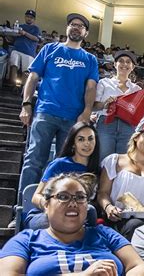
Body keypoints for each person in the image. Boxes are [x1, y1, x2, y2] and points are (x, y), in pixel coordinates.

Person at [16, 13, 98, 218]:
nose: (76, 28)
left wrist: (87, 111)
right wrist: (26, 104)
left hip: (73, 119)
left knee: (65, 166)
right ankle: (24, 210)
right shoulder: (49, 49)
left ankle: (57, 211)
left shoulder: (90, 59)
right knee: (34, 160)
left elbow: (91, 87)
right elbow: (33, 77)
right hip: (45, 112)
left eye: (80, 26)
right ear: (67, 28)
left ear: (86, 33)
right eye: (72, 24)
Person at [0, 173, 144, 275]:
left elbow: (138, 266)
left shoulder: (104, 233)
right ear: (46, 205)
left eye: (80, 197)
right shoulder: (26, 240)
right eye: (63, 197)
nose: (73, 203)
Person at [25, 122, 100, 230]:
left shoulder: (97, 170)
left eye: (90, 139)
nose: (87, 144)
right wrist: (53, 207)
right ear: (73, 143)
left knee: (90, 211)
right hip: (45, 215)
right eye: (81, 139)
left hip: (77, 216)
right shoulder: (59, 164)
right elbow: (36, 197)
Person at [98, 121, 144, 240]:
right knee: (136, 225)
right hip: (119, 219)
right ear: (136, 137)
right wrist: (108, 208)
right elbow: (103, 193)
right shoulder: (115, 160)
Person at [93, 50, 142, 161]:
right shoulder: (104, 83)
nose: (124, 64)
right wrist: (105, 105)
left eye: (128, 62)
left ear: (133, 66)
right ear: (115, 64)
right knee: (103, 159)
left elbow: (139, 113)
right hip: (106, 124)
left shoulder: (137, 89)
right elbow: (94, 106)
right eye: (121, 61)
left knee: (124, 161)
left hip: (128, 127)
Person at [8, 9, 40, 86]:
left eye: (31, 17)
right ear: (25, 17)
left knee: (26, 71)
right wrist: (10, 33)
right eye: (27, 16)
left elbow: (36, 39)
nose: (29, 18)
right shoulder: (19, 26)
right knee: (13, 65)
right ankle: (13, 85)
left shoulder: (36, 28)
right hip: (16, 49)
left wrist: (25, 33)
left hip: (28, 52)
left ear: (34, 19)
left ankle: (22, 87)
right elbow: (11, 39)